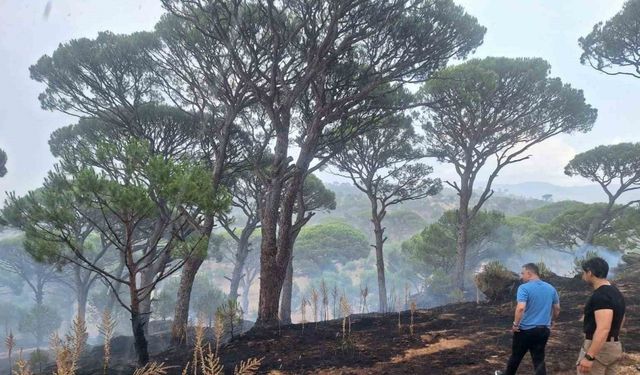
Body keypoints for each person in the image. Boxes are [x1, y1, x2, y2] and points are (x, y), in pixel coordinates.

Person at [495, 263, 560, 375]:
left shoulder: (524, 288)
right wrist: (552, 320)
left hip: (525, 330)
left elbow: (520, 308)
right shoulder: (551, 288)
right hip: (543, 330)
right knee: (539, 359)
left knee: (516, 356)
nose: (521, 276)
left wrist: (515, 324)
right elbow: (557, 308)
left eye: (522, 273)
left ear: (529, 273)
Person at [576, 257, 626, 375]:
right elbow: (622, 318)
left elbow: (603, 328)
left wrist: (589, 356)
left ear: (590, 273)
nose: (583, 276)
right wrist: (613, 338)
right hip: (614, 347)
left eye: (584, 273)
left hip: (598, 350)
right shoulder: (616, 292)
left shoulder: (600, 296)